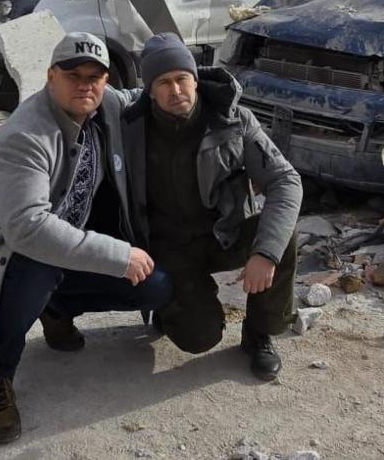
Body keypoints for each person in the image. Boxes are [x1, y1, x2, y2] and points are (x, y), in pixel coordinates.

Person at [0, 32, 171, 445]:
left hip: (67, 247)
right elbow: (28, 228)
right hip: (9, 257)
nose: (85, 84)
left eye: (95, 76)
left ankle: (57, 309)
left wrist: (202, 84)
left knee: (155, 286)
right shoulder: (26, 134)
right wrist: (119, 254)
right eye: (73, 75)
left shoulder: (108, 106)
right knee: (40, 264)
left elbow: (155, 90)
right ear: (51, 77)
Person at [122, 32, 302, 381]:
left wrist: (265, 253)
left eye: (181, 79)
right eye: (163, 82)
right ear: (149, 90)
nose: (175, 90)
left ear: (196, 80)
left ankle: (259, 333)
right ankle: (172, 303)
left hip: (225, 234)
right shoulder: (130, 128)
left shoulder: (234, 121)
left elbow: (285, 181)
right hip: (170, 249)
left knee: (281, 233)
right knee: (199, 337)